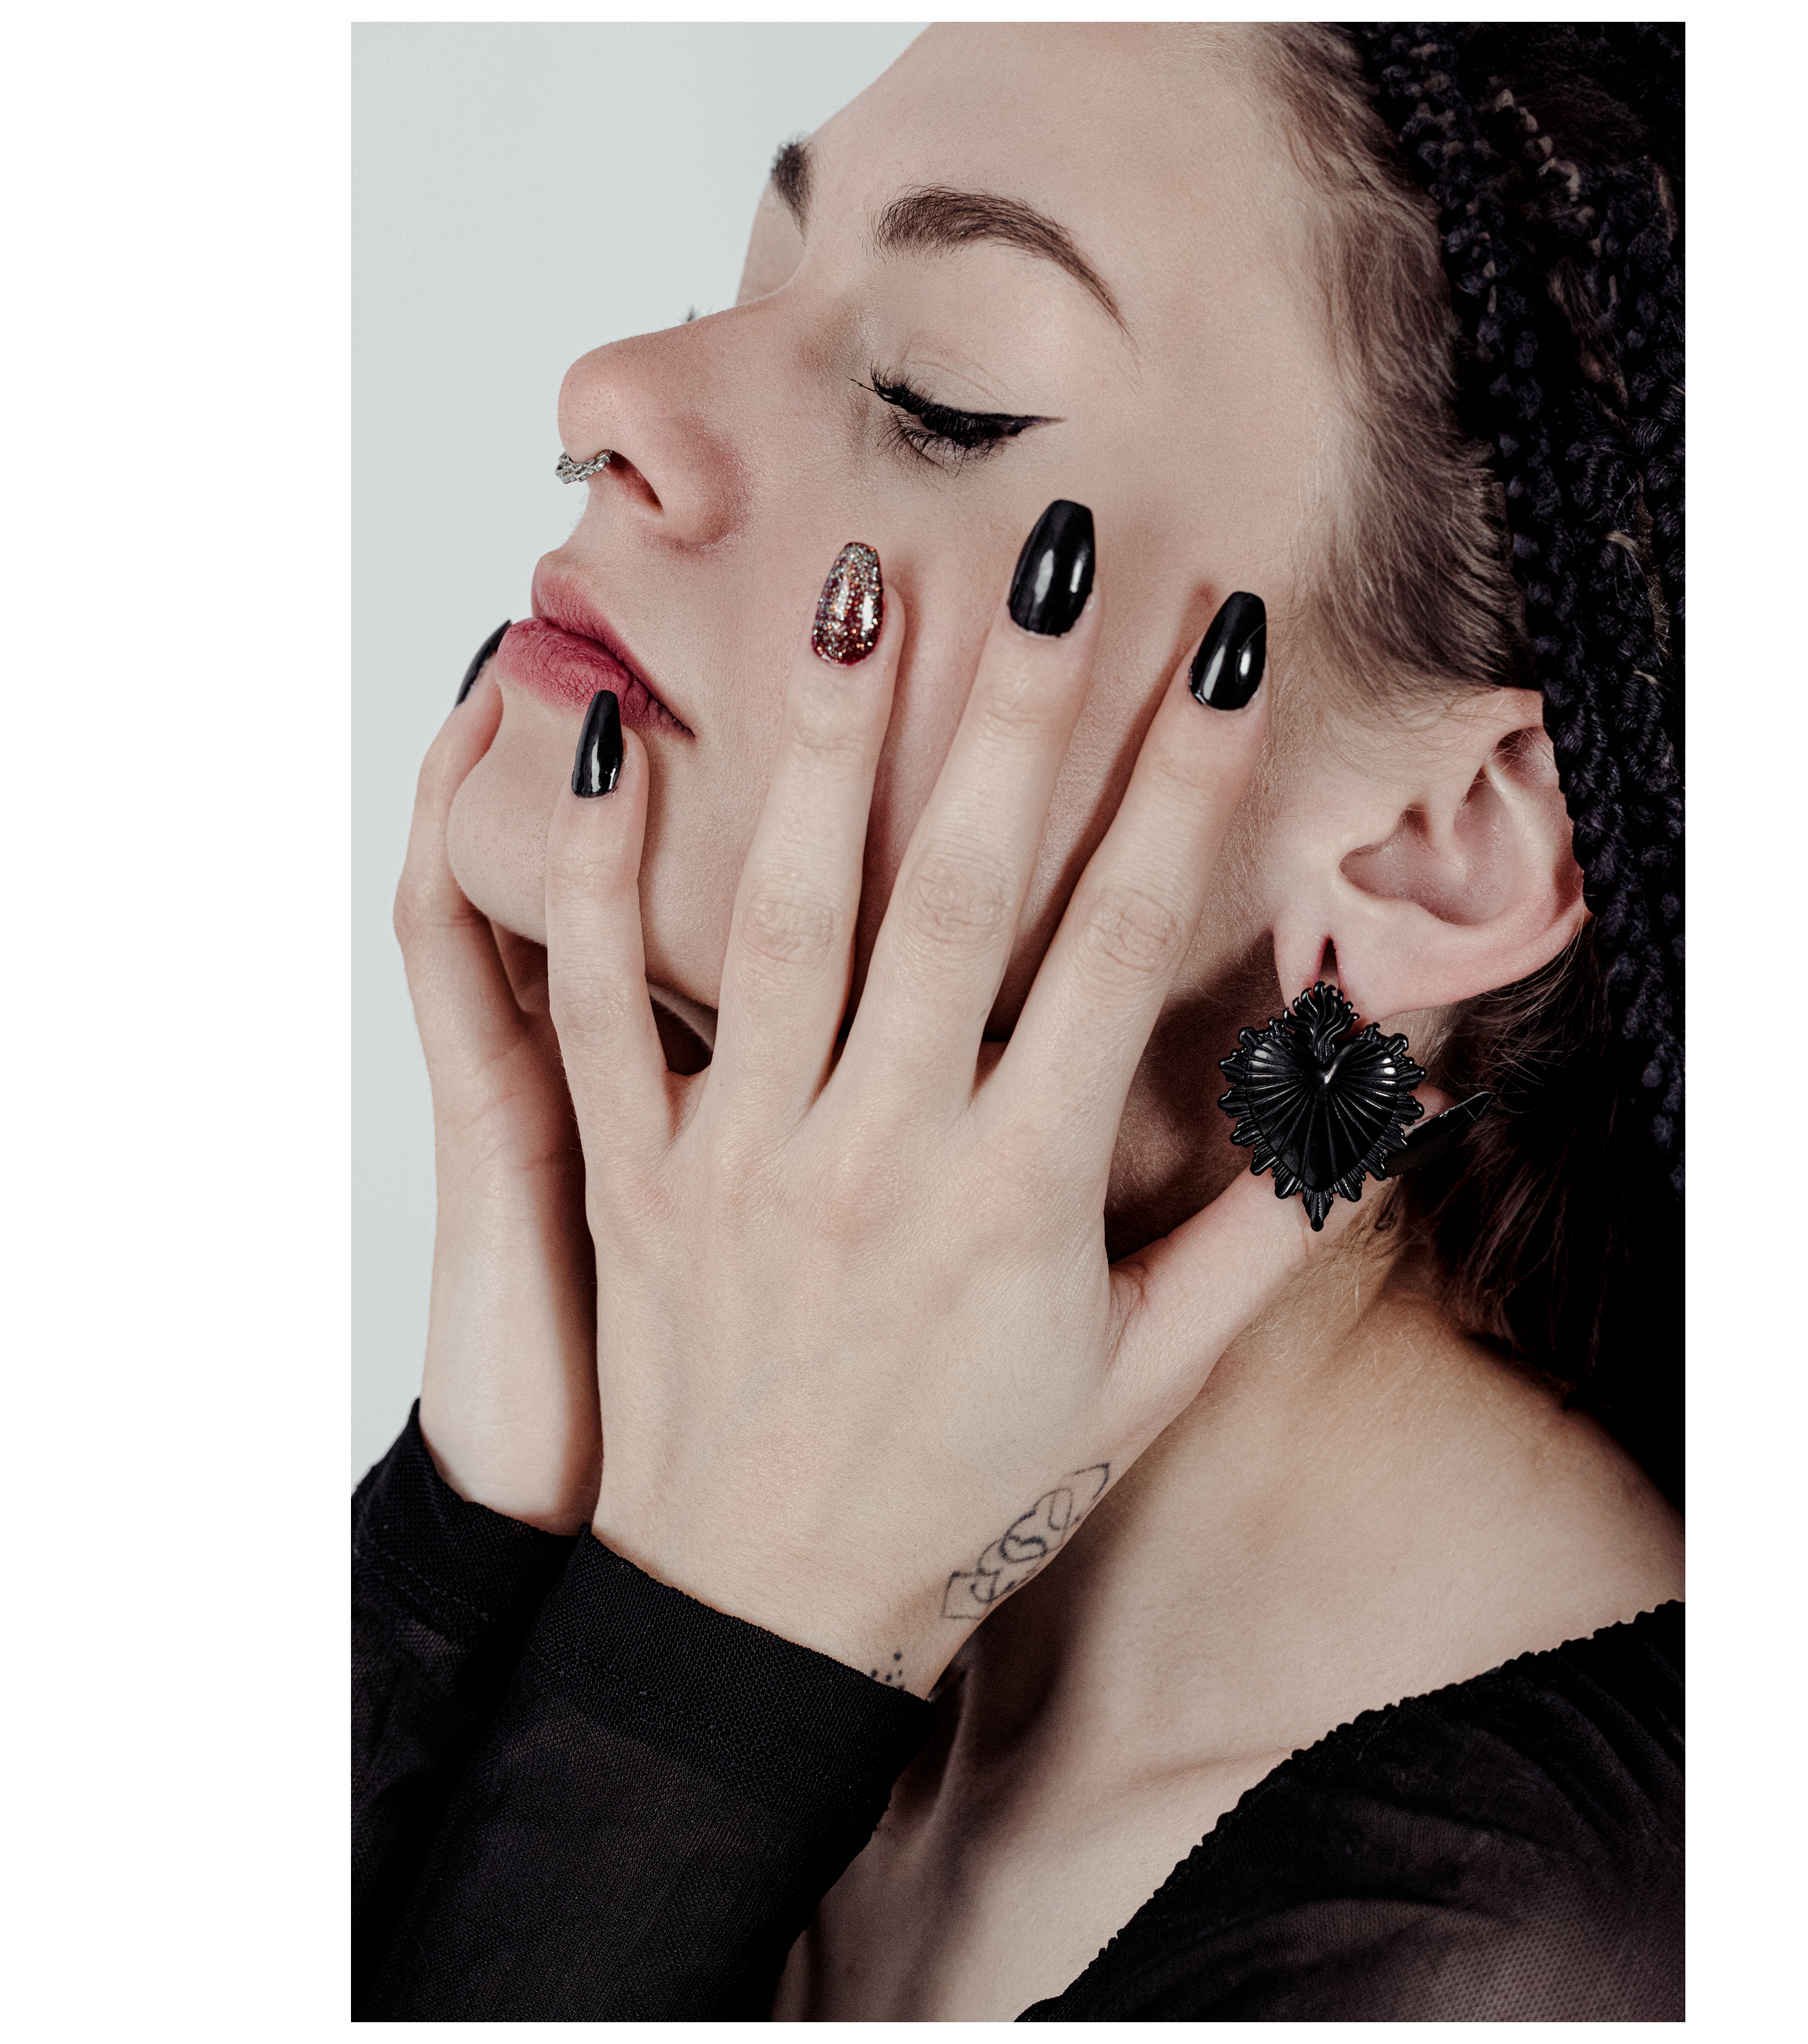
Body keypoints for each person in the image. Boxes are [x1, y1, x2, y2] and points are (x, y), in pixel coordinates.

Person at [352, 21, 1685, 2020]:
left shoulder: (1543, 1953)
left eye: (940, 398)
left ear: (1441, 843)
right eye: (748, 280)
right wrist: (477, 1535)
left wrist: (715, 1654)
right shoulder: (692, 1506)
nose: (613, 390)